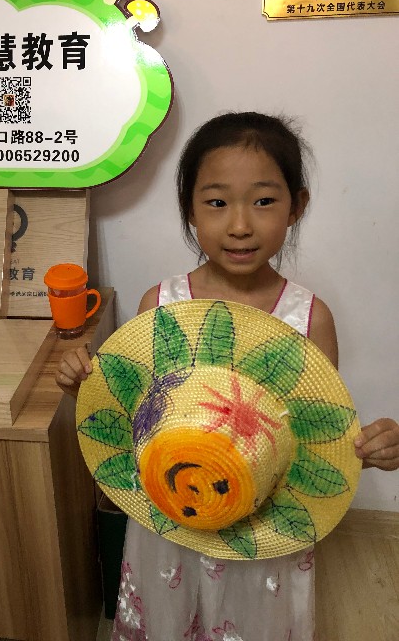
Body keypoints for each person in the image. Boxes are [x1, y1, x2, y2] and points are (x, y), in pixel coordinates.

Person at [55, 112, 399, 641]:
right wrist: (86, 384)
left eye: (264, 201)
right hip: (172, 510)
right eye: (216, 203)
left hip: (261, 525)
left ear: (297, 206)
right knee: (169, 615)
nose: (240, 225)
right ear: (189, 208)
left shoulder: (309, 319)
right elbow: (138, 411)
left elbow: (317, 435)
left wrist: (374, 446)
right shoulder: (161, 305)